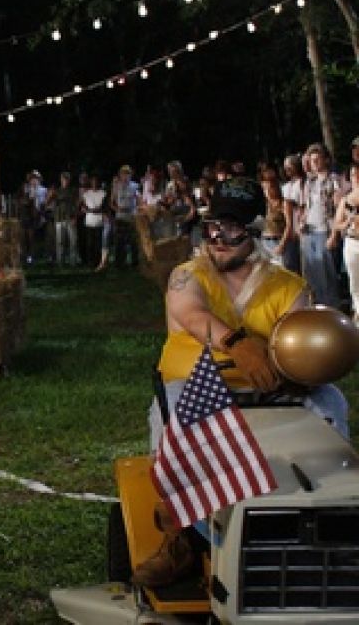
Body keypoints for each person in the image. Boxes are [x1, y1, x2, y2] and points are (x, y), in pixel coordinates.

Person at [134, 176, 349, 587]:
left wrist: (300, 371)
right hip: (195, 385)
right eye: (212, 227)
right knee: (173, 414)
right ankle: (182, 539)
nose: (218, 238)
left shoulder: (289, 287)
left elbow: (299, 337)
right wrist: (237, 344)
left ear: (254, 232)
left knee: (330, 401)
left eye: (231, 229)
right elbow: (192, 314)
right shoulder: (186, 275)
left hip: (268, 387)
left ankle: (331, 511)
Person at [299, 143, 344, 307]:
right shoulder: (309, 181)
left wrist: (334, 235)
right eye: (312, 160)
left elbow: (339, 209)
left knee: (327, 274)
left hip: (324, 231)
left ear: (326, 160)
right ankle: (317, 307)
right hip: (308, 231)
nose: (314, 163)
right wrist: (302, 221)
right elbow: (307, 207)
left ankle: (331, 308)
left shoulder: (334, 180)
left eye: (317, 159)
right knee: (311, 272)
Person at [333, 163, 359, 323]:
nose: (356, 178)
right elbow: (337, 224)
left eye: (358, 174)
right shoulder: (345, 200)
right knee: (354, 280)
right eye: (353, 174)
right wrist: (348, 222)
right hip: (351, 243)